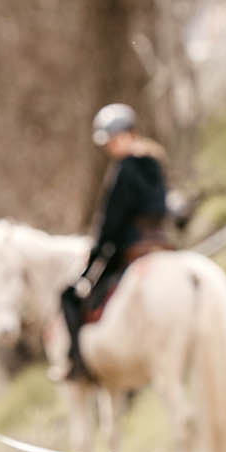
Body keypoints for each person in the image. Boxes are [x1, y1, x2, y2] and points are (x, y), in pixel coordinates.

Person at [59, 103, 172, 380]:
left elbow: (112, 220)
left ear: (129, 133)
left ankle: (78, 362)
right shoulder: (155, 161)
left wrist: (97, 252)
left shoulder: (124, 170)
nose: (111, 144)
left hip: (130, 245)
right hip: (161, 241)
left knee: (70, 296)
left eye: (114, 137)